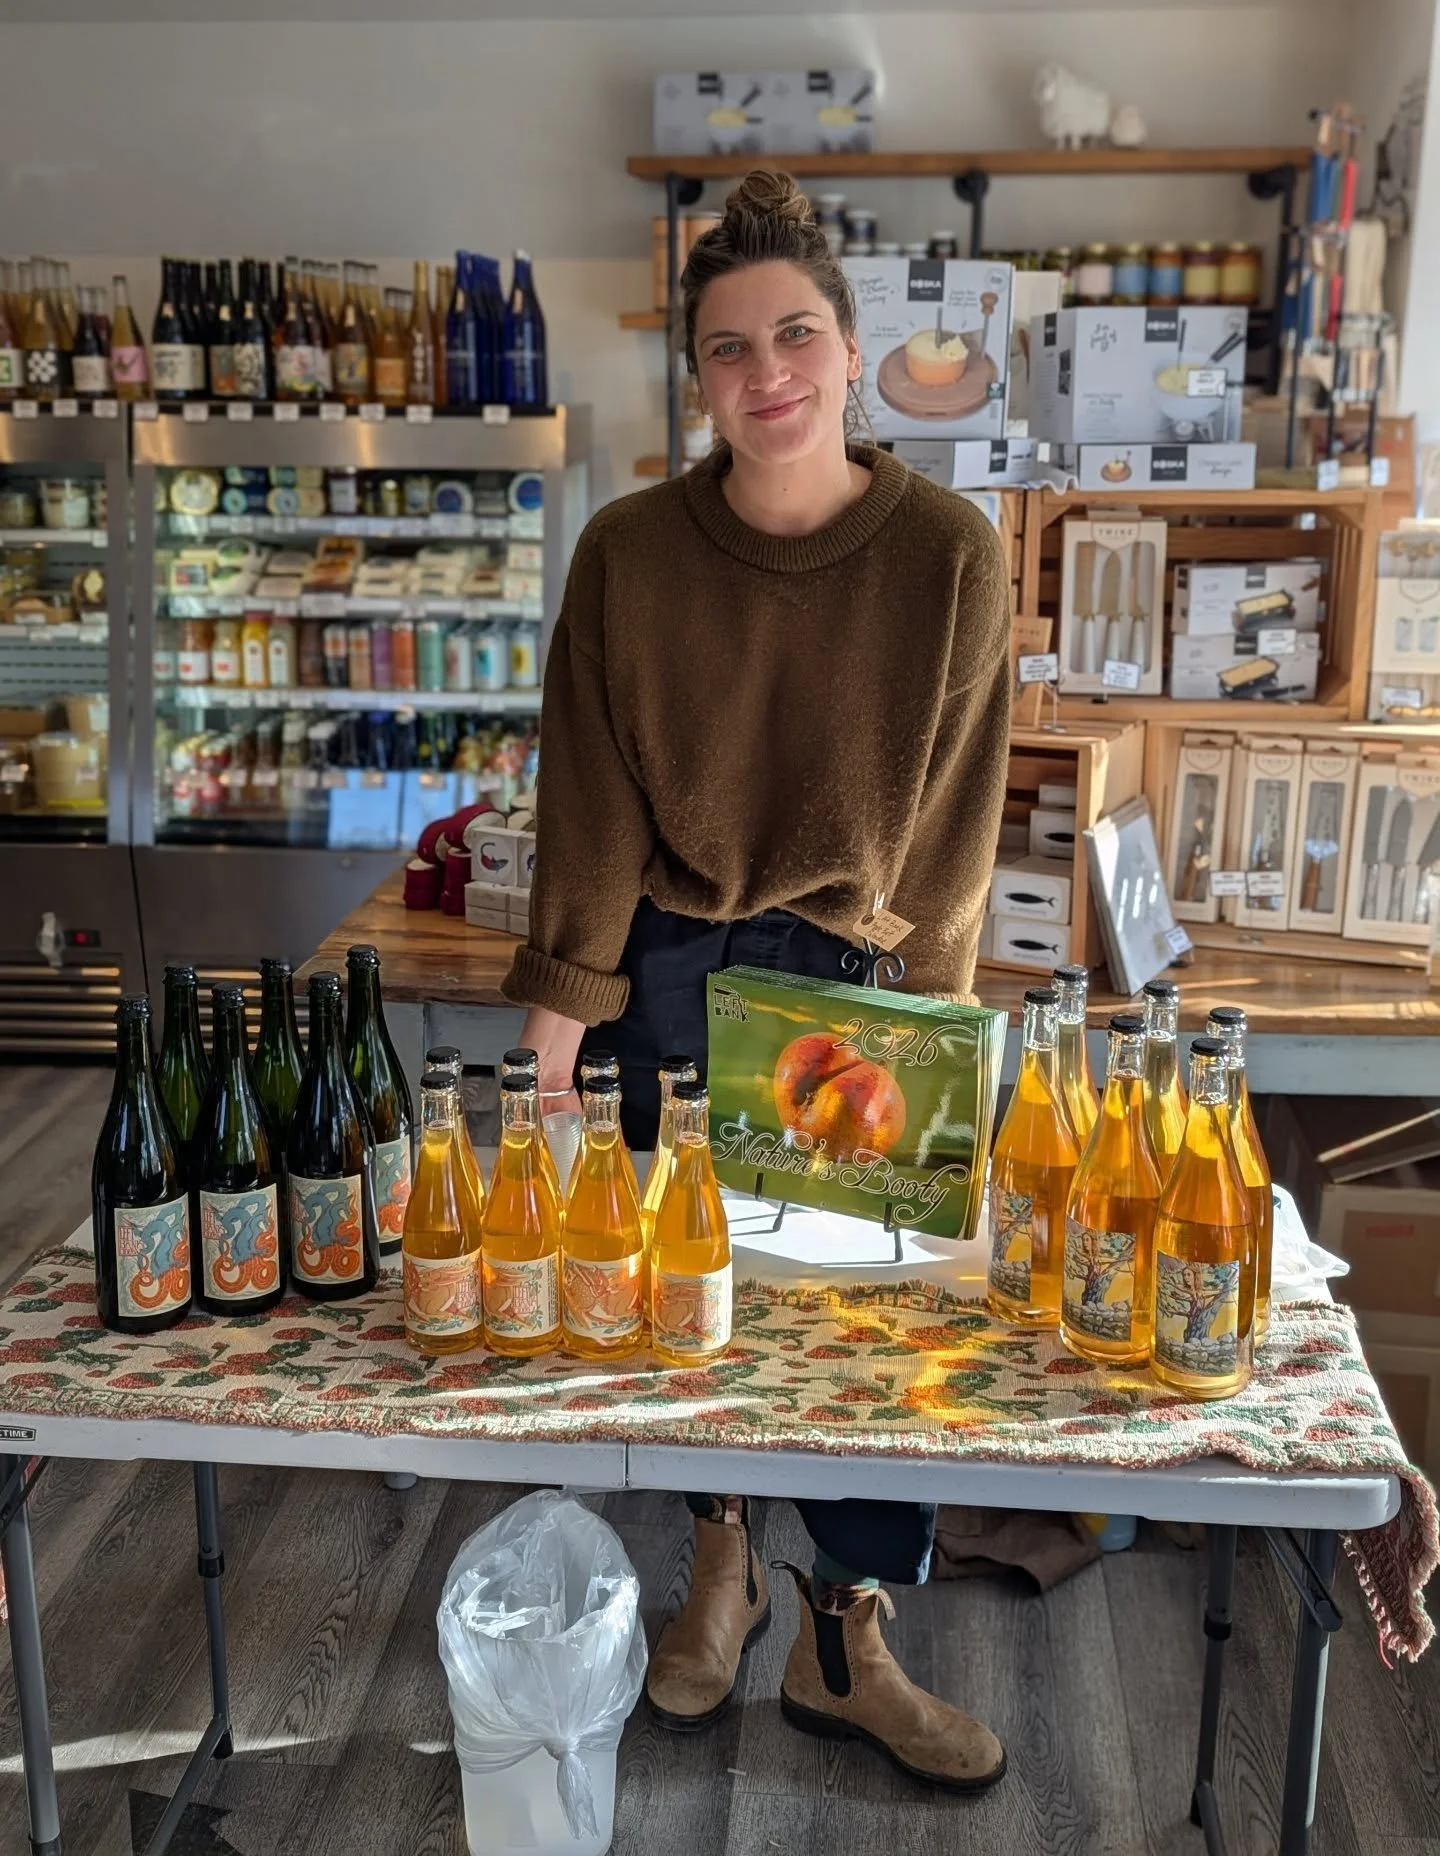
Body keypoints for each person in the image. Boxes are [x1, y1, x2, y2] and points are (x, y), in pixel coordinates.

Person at [502, 168, 1010, 1792]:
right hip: (671, 963)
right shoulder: (631, 551)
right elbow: (583, 789)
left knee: (861, 1331)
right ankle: (714, 1563)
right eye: (729, 349)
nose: (766, 371)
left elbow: (960, 815)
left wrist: (933, 1022)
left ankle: (849, 1636)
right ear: (698, 379)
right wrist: (562, 1001)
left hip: (859, 976)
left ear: (852, 353)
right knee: (703, 1308)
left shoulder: (949, 553)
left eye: (796, 334)